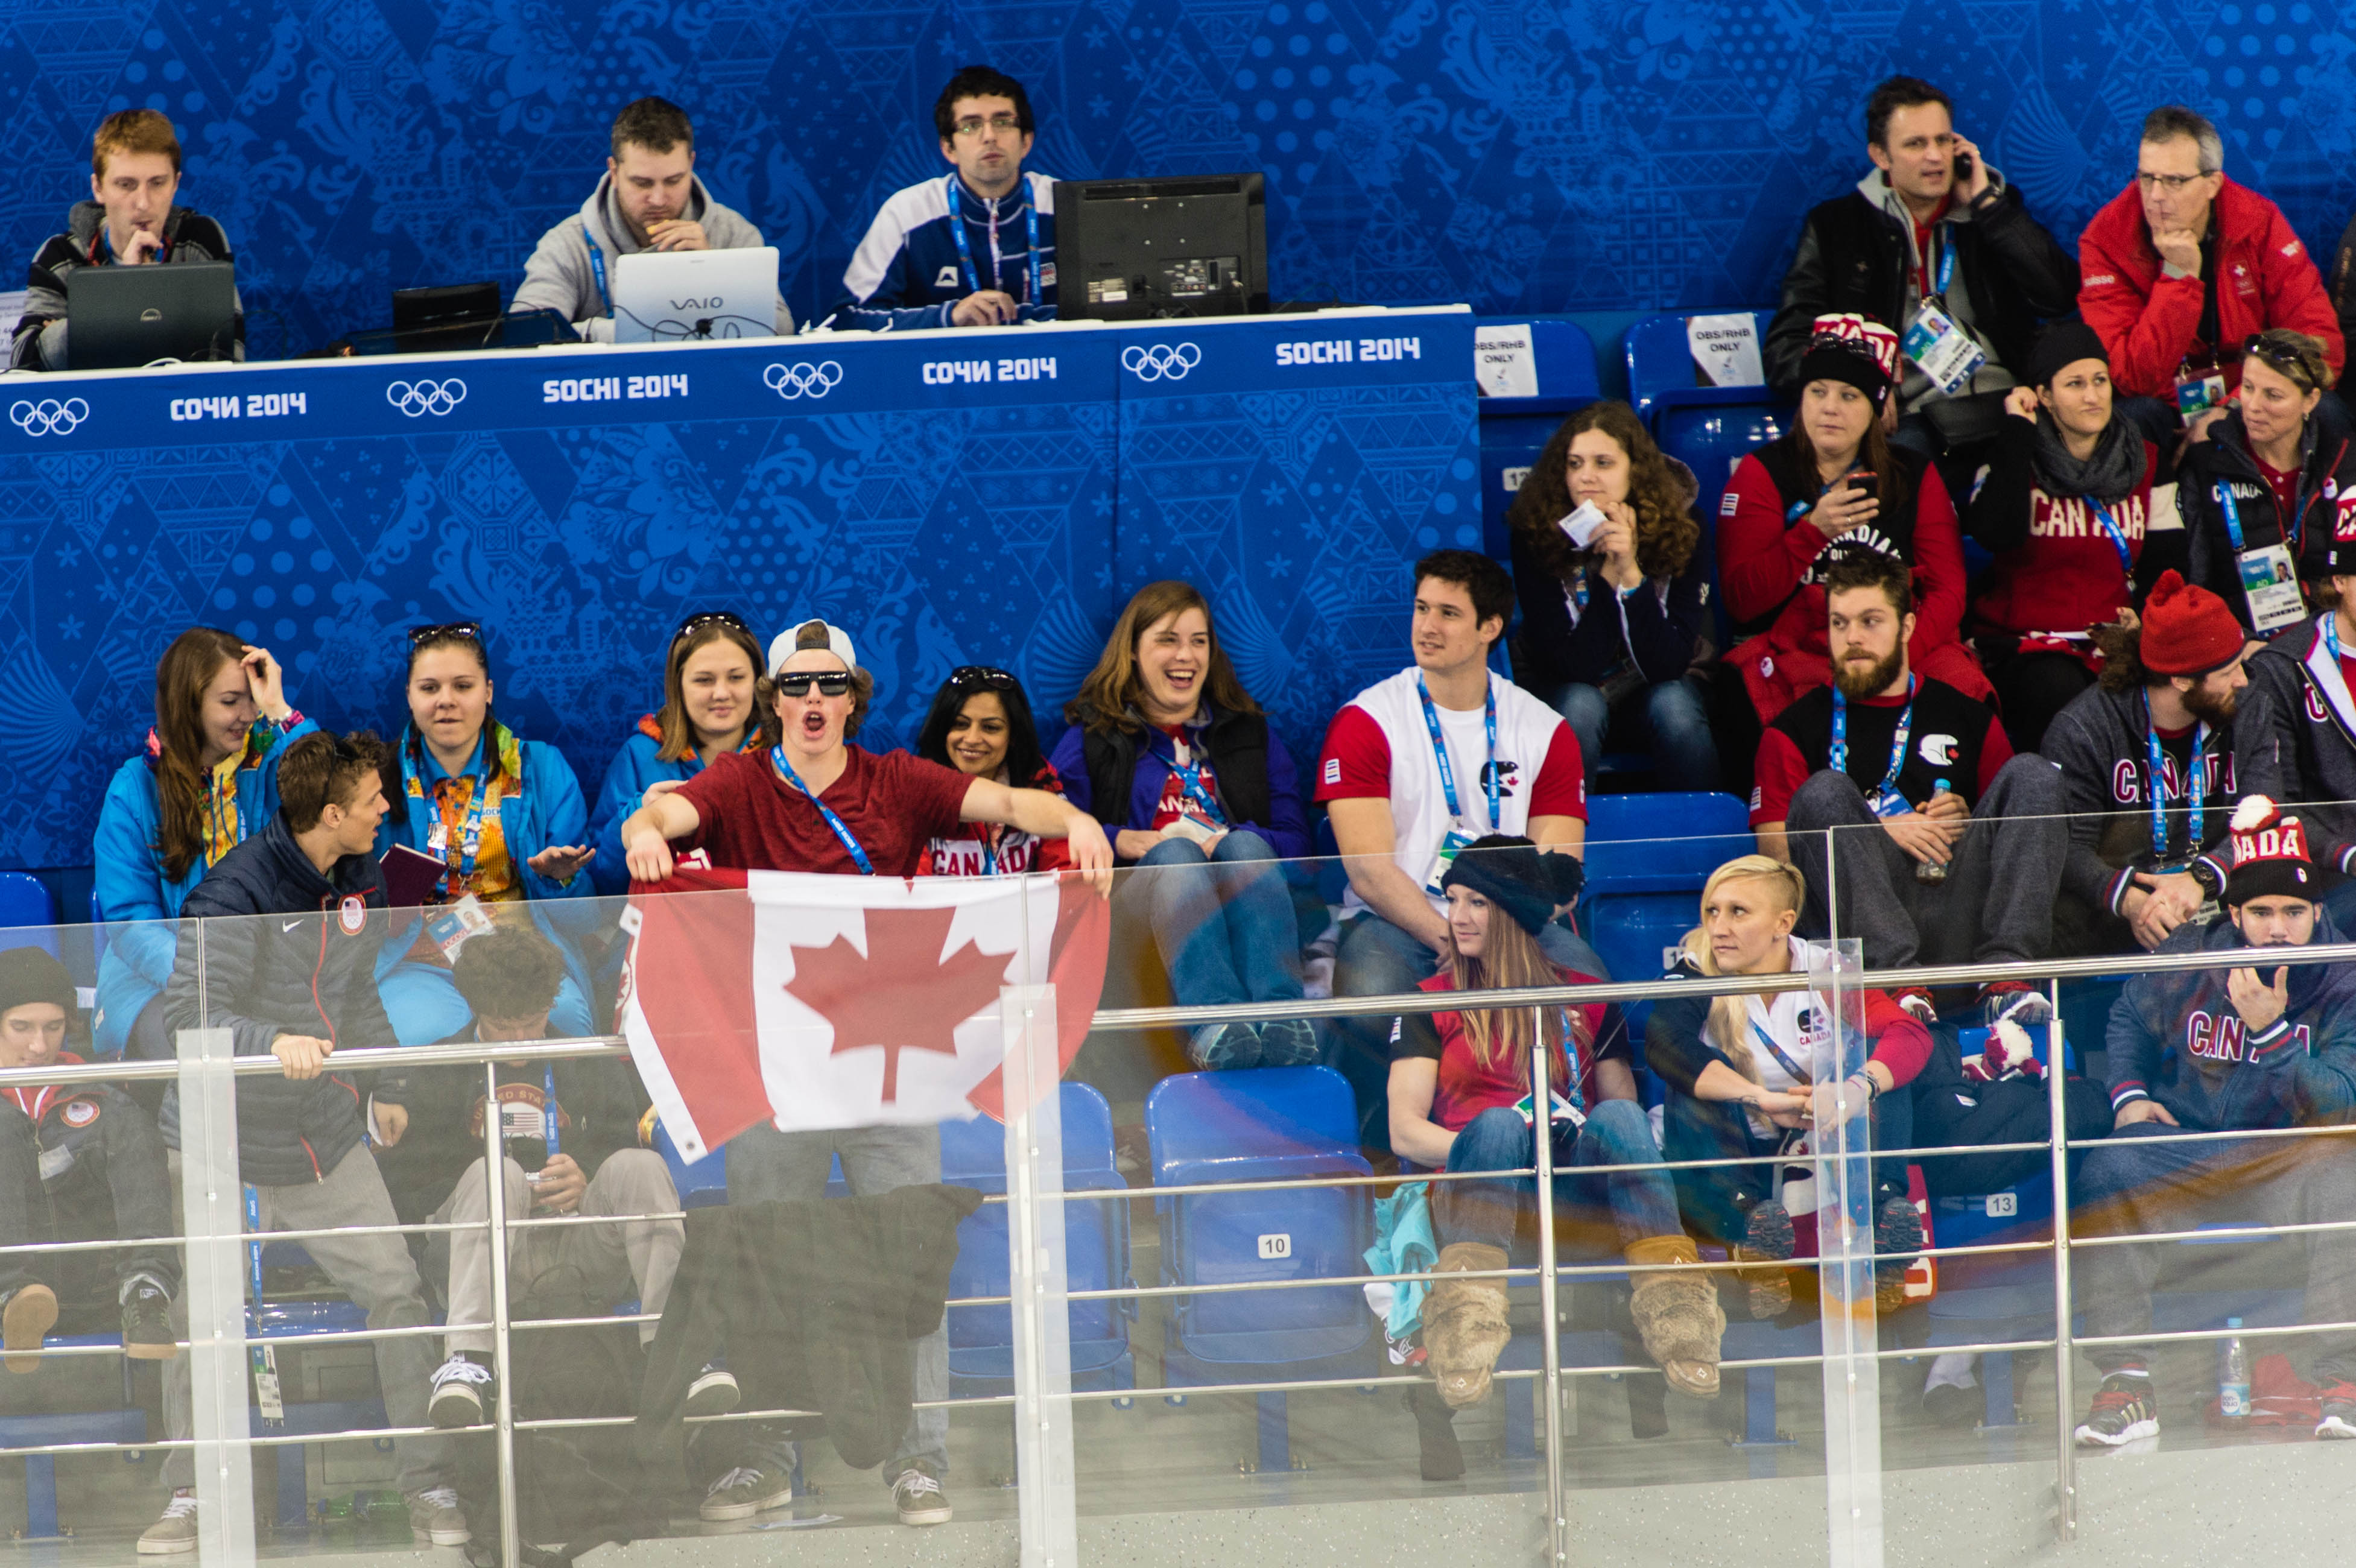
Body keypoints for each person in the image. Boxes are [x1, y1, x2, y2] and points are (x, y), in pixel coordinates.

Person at [618, 618, 1112, 1528]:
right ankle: (765, 1459)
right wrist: (642, 828)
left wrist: (1078, 821)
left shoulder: (897, 780)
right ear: (774, 700)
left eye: (831, 685)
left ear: (855, 696)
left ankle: (919, 1462)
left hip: (893, 1074)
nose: (814, 700)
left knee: (911, 1266)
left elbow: (1013, 805)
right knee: (767, 1269)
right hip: (779, 1076)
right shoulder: (739, 780)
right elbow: (662, 815)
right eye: (797, 686)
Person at [153, 732, 466, 1549]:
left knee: (397, 1290)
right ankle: (190, 1490)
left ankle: (430, 1482)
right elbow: (189, 1017)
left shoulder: (362, 873)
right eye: (372, 800)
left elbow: (355, 992)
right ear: (330, 814)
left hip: (319, 1132)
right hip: (221, 1137)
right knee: (202, 1312)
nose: (387, 808)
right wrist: (271, 1041)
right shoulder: (230, 896)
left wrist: (386, 1081)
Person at [1387, 836, 1721, 1480]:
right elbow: (1404, 1132)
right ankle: (1463, 1327)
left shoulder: (1589, 995)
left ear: (1513, 910)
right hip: (1482, 1192)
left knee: (1620, 1117)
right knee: (1495, 1124)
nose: (1457, 916)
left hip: (1575, 1196)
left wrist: (1556, 1132)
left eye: (1477, 902)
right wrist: (1503, 1145)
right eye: (1453, 899)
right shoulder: (1428, 997)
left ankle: (1679, 1315)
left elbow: (1622, 1116)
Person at [2071, 797, 2356, 1446]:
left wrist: (2273, 1034)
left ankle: (2344, 1379)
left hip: (2293, 1154)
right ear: (2234, 914)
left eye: (2294, 912)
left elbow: (2340, 1103)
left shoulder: (2344, 974)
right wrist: (2128, 1095)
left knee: (2347, 1177)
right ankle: (2126, 1383)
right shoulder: (2195, 955)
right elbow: (2128, 1014)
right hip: (2192, 1145)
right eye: (2262, 912)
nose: (2278, 929)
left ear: (2319, 912)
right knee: (2111, 1166)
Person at [372, 926, 717, 1429]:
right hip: (482, 1258)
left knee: (641, 1166)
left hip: (578, 1244)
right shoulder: (440, 1067)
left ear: (551, 1005)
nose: (519, 1040)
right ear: (474, 1009)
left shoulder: (585, 1058)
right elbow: (408, 1189)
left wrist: (587, 1175)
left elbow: (622, 1145)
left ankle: (677, 1353)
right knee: (498, 1174)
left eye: (532, 1023)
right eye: (502, 1026)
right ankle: (468, 1360)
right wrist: (496, 1184)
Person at [1314, 551, 1598, 1153]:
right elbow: (1368, 871)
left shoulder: (1544, 729)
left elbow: (1559, 875)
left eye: (1448, 613)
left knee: (1589, 989)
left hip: (1515, 926)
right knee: (1373, 995)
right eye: (1422, 609)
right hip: (1399, 921)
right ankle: (1403, 1142)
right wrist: (1449, 933)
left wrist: (1496, 934)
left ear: (1490, 627)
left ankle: (1568, 1145)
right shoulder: (1367, 720)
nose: (1427, 626)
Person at [1750, 551, 2066, 1026]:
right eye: (1839, 623)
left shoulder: (1969, 717)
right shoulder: (1792, 730)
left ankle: (2007, 976)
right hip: (1857, 947)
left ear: (1907, 626)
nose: (1852, 638)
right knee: (1824, 793)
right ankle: (1896, 983)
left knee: (2035, 775)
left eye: (1870, 621)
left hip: (1956, 913)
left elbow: (2020, 833)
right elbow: (1778, 861)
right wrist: (1878, 829)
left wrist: (1967, 818)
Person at [1644, 856, 1930, 1318]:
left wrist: (1853, 1090)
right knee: (1694, 1082)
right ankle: (1753, 1232)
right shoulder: (1696, 969)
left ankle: (1886, 1217)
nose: (1718, 928)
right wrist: (1760, 1098)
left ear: (1784, 923)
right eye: (1712, 911)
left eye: (1738, 912)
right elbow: (1664, 1044)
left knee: (1883, 1072)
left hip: (1822, 1135)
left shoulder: (1824, 969)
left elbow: (1910, 1034)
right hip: (1737, 1151)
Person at [1715, 312, 1984, 795]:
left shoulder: (1912, 475)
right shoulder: (1762, 473)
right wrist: (1811, 533)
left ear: (1876, 407)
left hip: (1898, 644)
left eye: (1849, 396)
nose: (1829, 408)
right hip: (1801, 646)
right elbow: (1742, 601)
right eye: (1817, 391)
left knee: (1960, 686)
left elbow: (1949, 591)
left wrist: (1893, 659)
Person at [1051, 583, 1314, 1070]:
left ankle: (1282, 1016)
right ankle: (1216, 1024)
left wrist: (1232, 841)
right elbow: (1050, 835)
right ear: (1133, 651)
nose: (1185, 656)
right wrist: (1119, 839)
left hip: (1244, 900)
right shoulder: (1093, 738)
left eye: (1199, 641)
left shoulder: (1248, 733)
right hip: (1134, 917)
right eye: (1167, 640)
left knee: (1247, 848)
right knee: (1175, 856)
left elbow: (1300, 846)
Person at [1764, 76, 2078, 471]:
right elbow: (1785, 350)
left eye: (1943, 141)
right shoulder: (1837, 228)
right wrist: (1861, 385)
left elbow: (2059, 297)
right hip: (1911, 416)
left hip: (2008, 401)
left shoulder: (1994, 213)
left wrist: (1989, 207)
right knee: (1899, 471)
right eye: (1915, 144)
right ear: (1881, 156)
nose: (1935, 157)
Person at [93, 629, 315, 1066]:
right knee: (199, 1055)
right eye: (231, 702)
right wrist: (207, 978)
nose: (247, 715)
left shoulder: (274, 764)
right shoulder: (133, 789)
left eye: (252, 700)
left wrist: (280, 710)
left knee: (300, 1052)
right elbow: (132, 920)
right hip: (159, 981)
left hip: (267, 975)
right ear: (188, 704)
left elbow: (332, 799)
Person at [373, 623, 599, 1046]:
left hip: (524, 960)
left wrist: (559, 880)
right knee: (424, 1036)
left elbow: (587, 918)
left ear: (488, 691)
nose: (446, 700)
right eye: (429, 688)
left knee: (566, 1021)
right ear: (409, 696)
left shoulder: (540, 768)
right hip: (421, 963)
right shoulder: (376, 779)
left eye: (463, 686)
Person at [1965, 320, 2179, 750]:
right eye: (2075, 384)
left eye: (2099, 380)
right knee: (2060, 690)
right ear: (2044, 396)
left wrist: (2144, 618)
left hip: (2115, 643)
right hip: (2028, 646)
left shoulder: (2148, 463)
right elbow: (1996, 535)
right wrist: (2018, 432)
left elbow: (2167, 565)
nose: (2092, 396)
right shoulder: (2011, 458)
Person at [2078, 105, 2344, 448]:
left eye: (2174, 181)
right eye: (2146, 178)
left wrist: (2233, 410)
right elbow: (2130, 378)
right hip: (2163, 403)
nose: (2155, 197)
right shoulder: (2106, 239)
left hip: (2250, 397)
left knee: (2326, 409)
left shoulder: (2258, 222)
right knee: (2132, 418)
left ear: (2212, 184)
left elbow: (2318, 346)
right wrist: (2178, 278)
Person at [1504, 400, 1718, 791]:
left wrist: (1631, 572)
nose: (1586, 476)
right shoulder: (1535, 530)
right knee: (1581, 705)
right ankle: (1560, 827)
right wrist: (1608, 575)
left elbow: (1668, 665)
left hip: (1655, 686)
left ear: (1635, 470)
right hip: (1565, 685)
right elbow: (1573, 667)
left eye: (1603, 463)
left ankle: (1705, 826)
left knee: (1674, 706)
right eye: (1575, 464)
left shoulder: (1685, 524)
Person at [2042, 572, 2247, 955]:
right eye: (2227, 672)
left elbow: (2267, 810)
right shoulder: (2084, 728)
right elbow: (2066, 848)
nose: (2243, 681)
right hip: (2113, 917)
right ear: (2182, 681)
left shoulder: (2247, 709)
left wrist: (2200, 878)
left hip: (2218, 900)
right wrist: (2132, 902)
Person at [0, 948, 177, 1365]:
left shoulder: (102, 1099)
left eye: (54, 1027)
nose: (39, 1046)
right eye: (21, 1028)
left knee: (127, 1121)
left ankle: (145, 1292)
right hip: (15, 1291)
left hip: (90, 1292)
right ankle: (10, 1296)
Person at [511, 96, 791, 342]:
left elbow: (781, 329)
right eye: (642, 183)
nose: (658, 199)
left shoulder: (734, 234)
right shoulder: (567, 245)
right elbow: (525, 335)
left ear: (691, 164)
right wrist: (624, 333)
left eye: (674, 181)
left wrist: (713, 274)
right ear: (614, 172)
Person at [827, 66, 1055, 330]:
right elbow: (847, 320)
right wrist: (948, 317)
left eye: (1003, 122)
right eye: (971, 126)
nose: (990, 137)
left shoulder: (1064, 204)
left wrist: (1021, 321)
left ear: (1026, 142)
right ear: (949, 149)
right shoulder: (907, 213)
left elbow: (1100, 308)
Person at [11, 109, 241, 371]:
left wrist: (80, 330)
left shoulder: (200, 239)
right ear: (98, 188)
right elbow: (25, 363)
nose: (143, 203)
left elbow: (228, 357)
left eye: (157, 183)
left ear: (175, 184)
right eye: (126, 185)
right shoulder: (60, 255)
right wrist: (124, 296)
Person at [2176, 329, 2356, 636]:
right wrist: (2239, 644)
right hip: (2239, 646)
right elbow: (2197, 586)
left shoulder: (2344, 463)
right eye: (2247, 388)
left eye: (2273, 395)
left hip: (2330, 640)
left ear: (2310, 400)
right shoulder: (2206, 465)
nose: (2253, 406)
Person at [587, 611, 768, 897]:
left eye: (736, 677)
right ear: (678, 685)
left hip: (763, 921)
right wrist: (638, 816)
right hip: (666, 921)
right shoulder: (640, 755)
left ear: (758, 681)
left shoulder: (784, 757)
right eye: (704, 680)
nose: (721, 693)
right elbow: (602, 883)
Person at [2235, 510, 2356, 926]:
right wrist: (2347, 854)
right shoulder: (2284, 667)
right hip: (2331, 874)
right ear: (2339, 582)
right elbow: (2277, 798)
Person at [912, 665, 1071, 877]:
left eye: (990, 728)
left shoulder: (1040, 783)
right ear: (942, 730)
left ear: (1013, 735)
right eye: (960, 724)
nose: (972, 739)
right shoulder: (914, 790)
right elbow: (910, 887)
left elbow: (1066, 876)